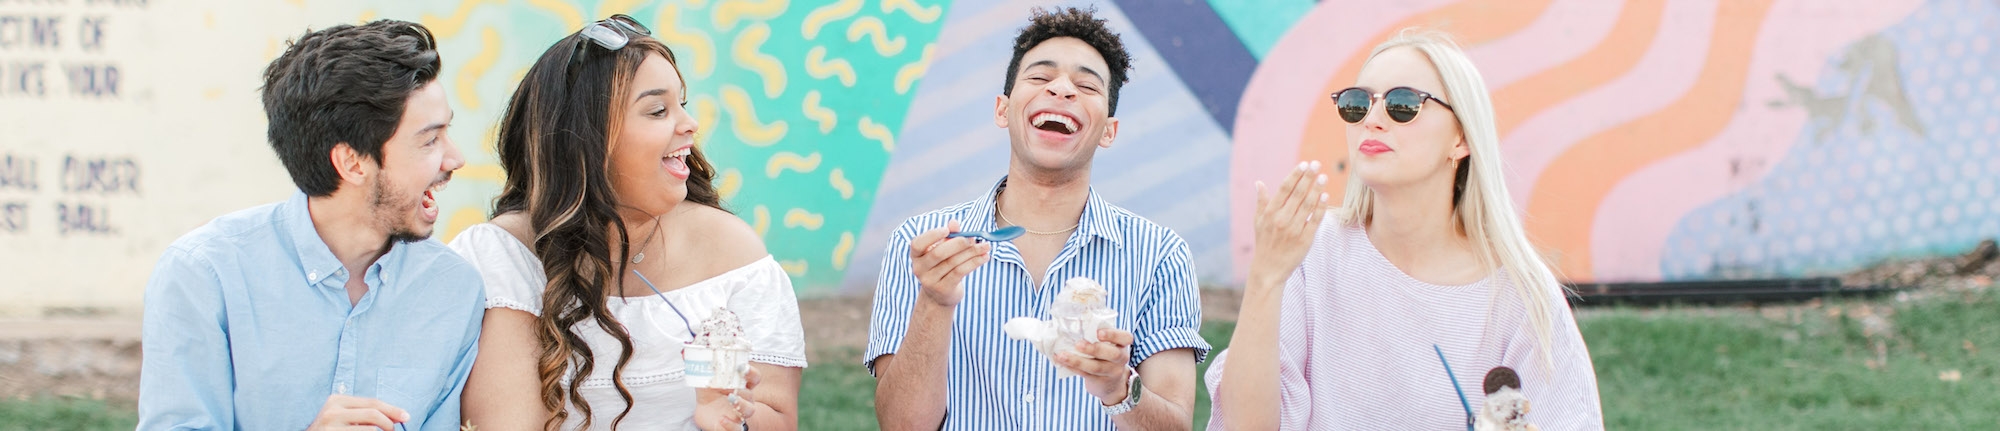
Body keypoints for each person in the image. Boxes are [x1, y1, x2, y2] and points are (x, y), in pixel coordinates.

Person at [1204, 30, 1605, 430]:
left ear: (1461, 137)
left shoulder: (1519, 295)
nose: (1372, 121)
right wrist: (1265, 279)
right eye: (1357, 103)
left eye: (1402, 104)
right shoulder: (1310, 250)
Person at [448, 14, 805, 431]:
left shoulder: (734, 254)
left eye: (681, 104)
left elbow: (778, 418)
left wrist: (729, 415)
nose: (689, 125)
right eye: (657, 110)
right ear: (586, 140)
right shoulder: (504, 257)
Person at [866, 7, 1209, 431]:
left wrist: (1119, 389)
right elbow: (902, 425)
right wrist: (935, 302)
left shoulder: (1160, 254)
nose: (1062, 89)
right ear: (1002, 110)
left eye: (1086, 85)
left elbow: (1176, 425)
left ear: (1108, 131)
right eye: (1040, 77)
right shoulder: (920, 244)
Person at [137, 20, 481, 431]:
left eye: (447, 132)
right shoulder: (204, 275)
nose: (454, 159)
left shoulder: (455, 289)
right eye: (430, 140)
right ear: (352, 163)